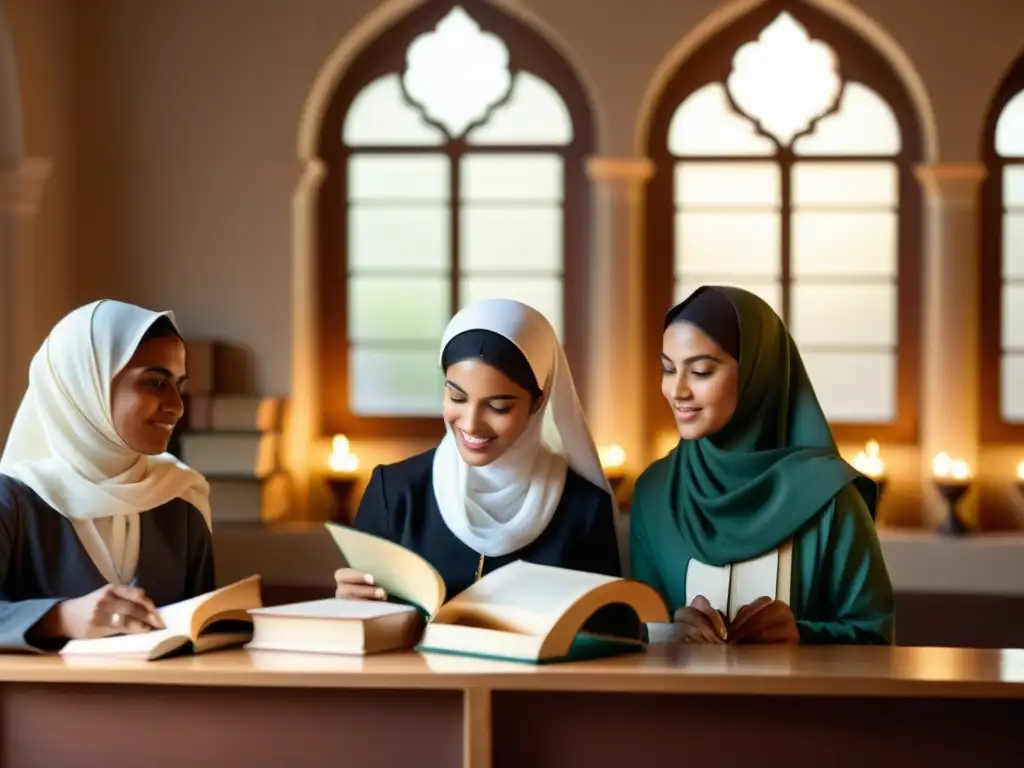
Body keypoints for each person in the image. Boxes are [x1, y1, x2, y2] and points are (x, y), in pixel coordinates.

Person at [630, 285, 894, 645]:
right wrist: (668, 636)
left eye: (702, 371)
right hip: (680, 702)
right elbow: (634, 632)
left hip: (800, 702)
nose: (677, 391)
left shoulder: (831, 498)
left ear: (758, 371)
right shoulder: (655, 493)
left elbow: (876, 639)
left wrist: (803, 636)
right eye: (667, 369)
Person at [334, 298, 621, 601]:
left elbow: (613, 634)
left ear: (538, 403)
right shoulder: (394, 493)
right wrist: (351, 602)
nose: (471, 424)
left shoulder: (585, 508)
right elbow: (359, 618)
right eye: (457, 398)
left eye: (498, 407)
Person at [0, 300, 213, 651]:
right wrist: (62, 618)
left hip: (168, 704)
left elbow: (203, 635)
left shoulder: (181, 498)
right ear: (85, 384)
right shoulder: (13, 498)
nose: (177, 405)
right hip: (41, 706)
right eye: (156, 382)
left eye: (179, 384)